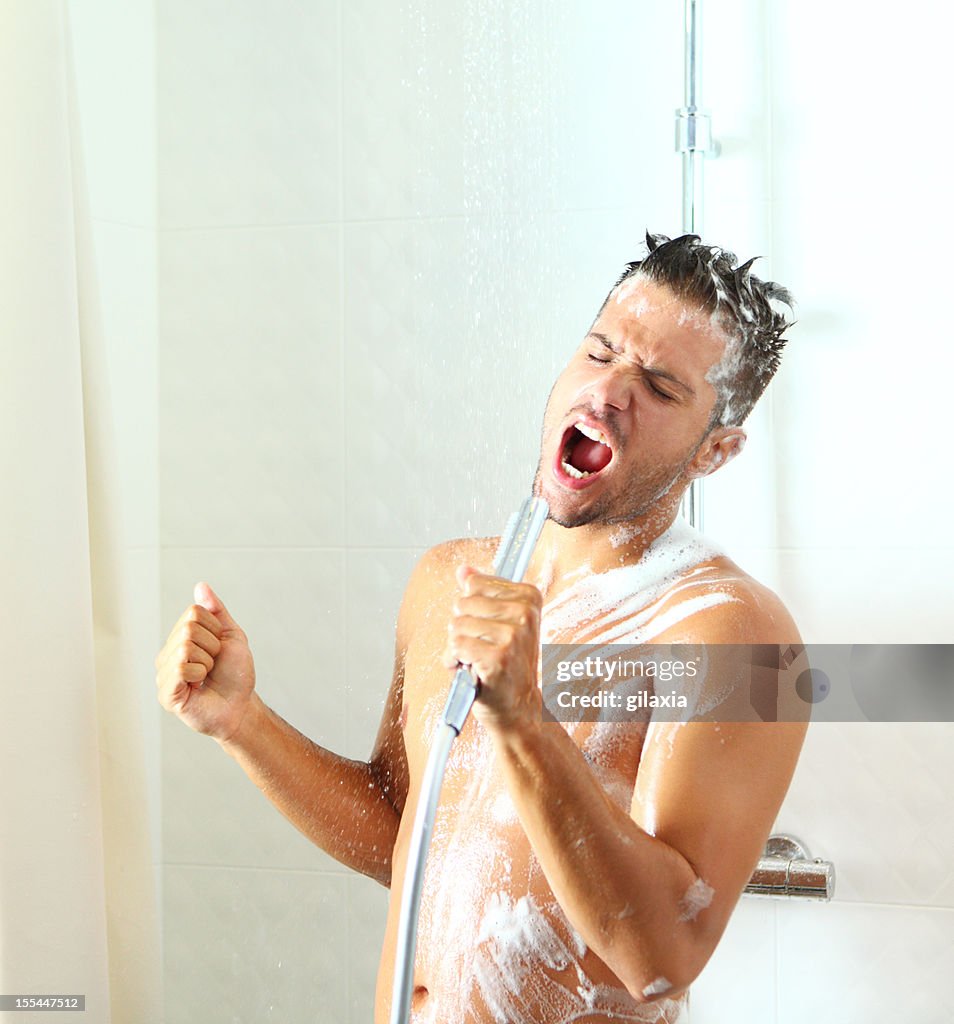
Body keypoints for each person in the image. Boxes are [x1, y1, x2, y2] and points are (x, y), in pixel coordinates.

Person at [156, 232, 808, 1024]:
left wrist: (523, 718)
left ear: (716, 451)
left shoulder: (733, 635)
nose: (607, 393)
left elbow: (663, 960)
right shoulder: (450, 580)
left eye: (662, 388)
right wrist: (241, 722)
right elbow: (402, 836)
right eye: (600, 351)